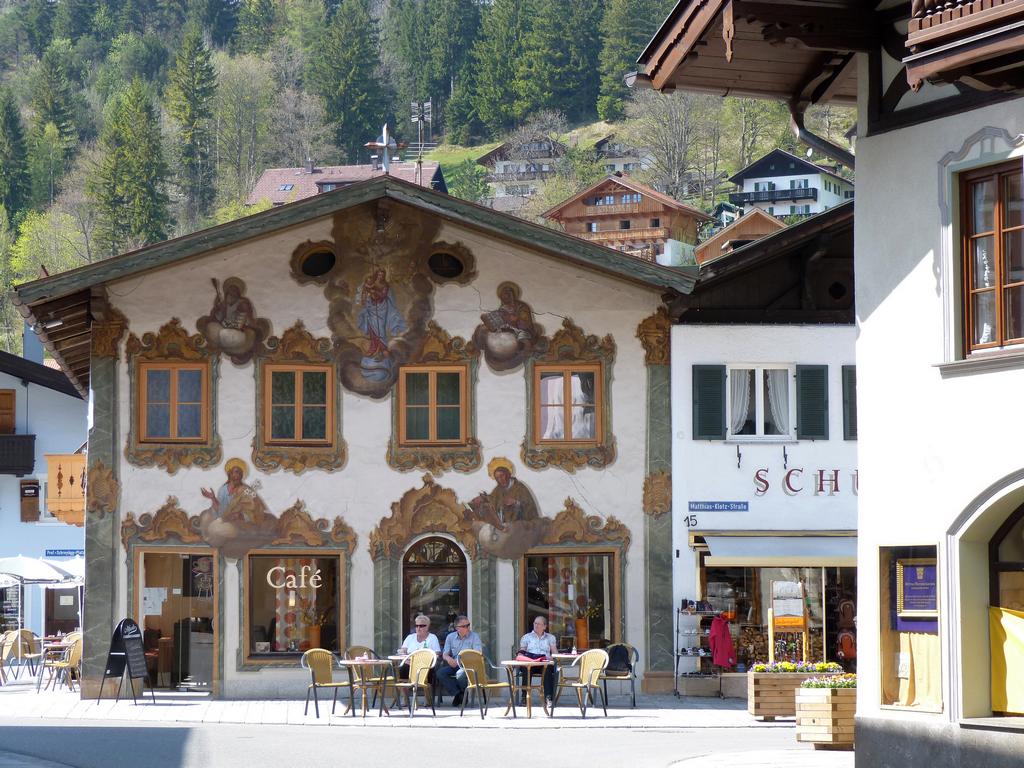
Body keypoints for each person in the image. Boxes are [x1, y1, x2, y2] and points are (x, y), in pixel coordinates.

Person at [436, 615, 482, 707]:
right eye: (464, 626)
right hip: (455, 665)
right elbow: (445, 653)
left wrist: (459, 661)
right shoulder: (450, 637)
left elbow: (477, 653)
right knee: (440, 673)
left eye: (468, 625)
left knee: (460, 674)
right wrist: (449, 659)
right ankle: (459, 694)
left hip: (469, 666)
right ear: (457, 628)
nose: (468, 628)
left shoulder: (475, 637)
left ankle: (461, 694)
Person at [518, 615, 558, 705]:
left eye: (539, 624)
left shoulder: (550, 638)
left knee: (548, 668)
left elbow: (555, 654)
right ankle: (524, 697)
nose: (536, 625)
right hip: (530, 663)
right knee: (525, 668)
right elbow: (522, 652)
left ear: (544, 626)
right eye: (535, 623)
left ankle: (548, 698)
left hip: (544, 663)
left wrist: (550, 658)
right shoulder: (526, 637)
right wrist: (521, 656)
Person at [397, 614, 440, 681]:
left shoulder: (432, 638)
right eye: (416, 626)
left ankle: (423, 686)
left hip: (425, 666)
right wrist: (403, 654)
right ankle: (404, 687)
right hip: (409, 665)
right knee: (402, 669)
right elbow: (403, 651)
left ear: (427, 627)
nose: (418, 628)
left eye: (421, 626)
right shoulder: (410, 637)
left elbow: (436, 654)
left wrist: (423, 661)